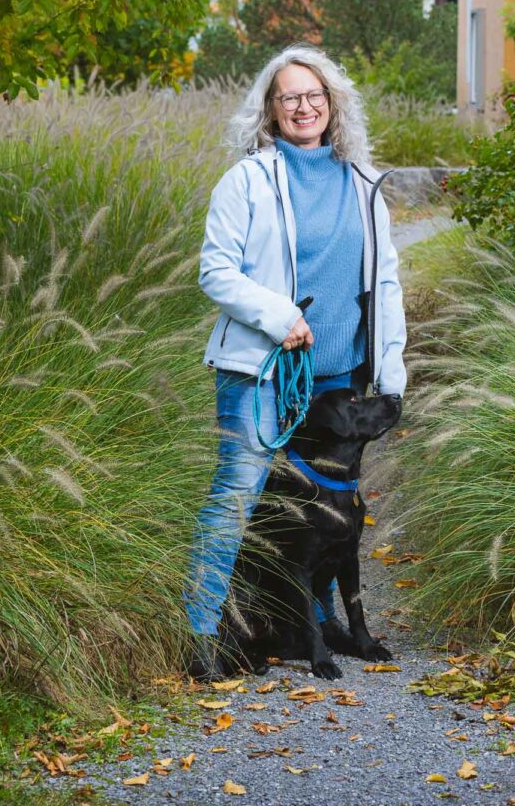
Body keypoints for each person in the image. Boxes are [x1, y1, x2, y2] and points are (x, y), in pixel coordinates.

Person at [184, 44, 407, 678]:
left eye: (314, 96)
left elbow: (384, 285)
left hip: (338, 376)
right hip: (260, 372)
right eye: (289, 97)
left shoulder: (365, 186)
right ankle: (203, 633)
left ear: (332, 105)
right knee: (238, 495)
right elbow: (215, 271)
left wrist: (389, 372)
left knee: (317, 502)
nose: (303, 107)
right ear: (271, 109)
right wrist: (282, 319)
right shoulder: (248, 179)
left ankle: (311, 626)